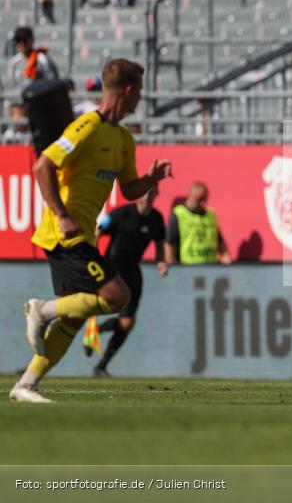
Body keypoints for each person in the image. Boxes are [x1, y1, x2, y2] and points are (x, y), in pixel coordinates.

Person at [10, 58, 173, 403]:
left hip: (84, 234)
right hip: (64, 234)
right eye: (139, 91)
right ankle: (42, 309)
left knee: (74, 319)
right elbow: (43, 166)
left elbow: (128, 190)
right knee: (118, 296)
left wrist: (151, 179)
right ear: (127, 90)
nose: (140, 98)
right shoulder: (85, 127)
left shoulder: (123, 139)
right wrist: (62, 216)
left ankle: (25, 385)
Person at [84, 184, 167, 376]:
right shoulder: (122, 213)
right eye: (144, 192)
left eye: (151, 193)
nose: (146, 197)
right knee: (99, 305)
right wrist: (93, 255)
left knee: (127, 322)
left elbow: (160, 244)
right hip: (112, 268)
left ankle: (100, 361)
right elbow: (99, 230)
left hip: (132, 270)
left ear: (156, 193)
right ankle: (90, 334)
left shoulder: (156, 219)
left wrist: (161, 261)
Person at [165, 182, 231, 265]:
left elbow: (219, 239)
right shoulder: (179, 214)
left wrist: (225, 255)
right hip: (188, 267)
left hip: (211, 266)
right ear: (190, 197)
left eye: (204, 200)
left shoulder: (211, 214)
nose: (202, 203)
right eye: (199, 200)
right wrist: (173, 267)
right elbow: (170, 244)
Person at [7, 26, 59, 93]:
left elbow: (52, 82)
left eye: (24, 40)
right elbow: (13, 85)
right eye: (18, 40)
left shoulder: (43, 59)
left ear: (32, 40)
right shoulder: (14, 62)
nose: (21, 43)